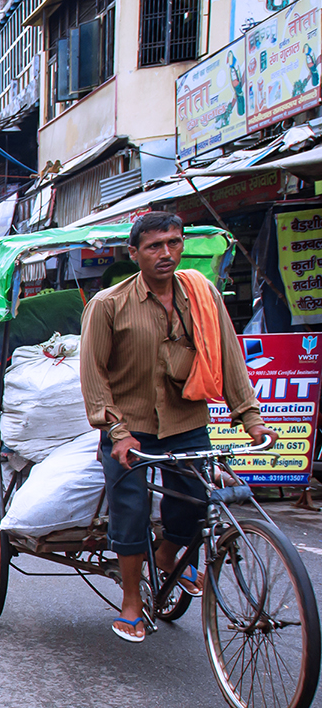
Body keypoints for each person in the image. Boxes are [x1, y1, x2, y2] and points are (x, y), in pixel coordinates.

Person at [80, 210, 272, 643]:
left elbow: (229, 357)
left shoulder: (202, 294)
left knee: (196, 501)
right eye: (154, 246)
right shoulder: (108, 304)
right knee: (130, 509)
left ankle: (167, 555)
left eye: (173, 242)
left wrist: (251, 417)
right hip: (129, 426)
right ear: (134, 253)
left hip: (186, 420)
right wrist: (116, 431)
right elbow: (93, 376)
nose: (165, 253)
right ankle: (132, 601)